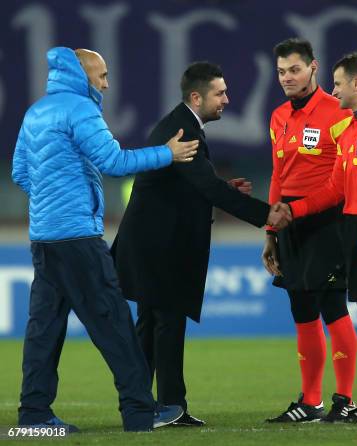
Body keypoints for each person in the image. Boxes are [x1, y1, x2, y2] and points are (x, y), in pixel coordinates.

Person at [11, 47, 199, 432]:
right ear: (83, 75)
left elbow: (19, 172)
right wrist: (166, 153)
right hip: (78, 237)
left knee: (42, 328)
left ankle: (33, 413)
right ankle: (139, 412)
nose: (107, 83)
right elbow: (114, 163)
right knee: (113, 322)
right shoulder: (80, 110)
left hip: (44, 238)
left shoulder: (36, 111)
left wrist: (51, 202)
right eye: (102, 75)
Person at [111, 62, 292, 426]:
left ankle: (140, 404)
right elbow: (204, 187)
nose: (227, 99)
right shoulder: (184, 130)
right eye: (220, 93)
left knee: (152, 324)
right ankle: (170, 407)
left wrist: (225, 190)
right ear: (197, 96)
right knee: (167, 321)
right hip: (158, 247)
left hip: (151, 243)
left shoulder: (184, 124)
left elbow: (189, 186)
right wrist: (266, 215)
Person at [262, 38, 357, 423]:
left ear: (313, 68)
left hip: (328, 222)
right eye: (282, 71)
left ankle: (345, 399)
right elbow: (277, 175)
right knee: (301, 311)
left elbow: (344, 179)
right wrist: (270, 229)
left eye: (295, 70)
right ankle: (311, 401)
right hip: (289, 225)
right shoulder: (278, 116)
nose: (287, 77)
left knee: (333, 308)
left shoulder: (339, 112)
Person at [287, 51, 357, 422]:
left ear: (355, 83)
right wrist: (289, 212)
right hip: (353, 229)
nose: (334, 90)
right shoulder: (352, 129)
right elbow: (335, 188)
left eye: (338, 83)